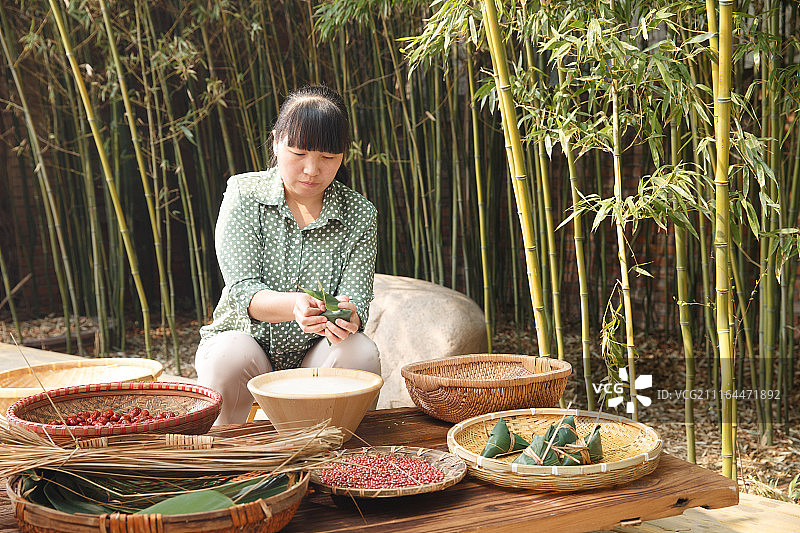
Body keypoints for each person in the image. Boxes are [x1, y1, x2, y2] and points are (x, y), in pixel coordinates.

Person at [196, 85, 380, 425]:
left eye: (328, 158)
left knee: (360, 351)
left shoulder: (360, 214)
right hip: (245, 343)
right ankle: (222, 455)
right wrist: (295, 305)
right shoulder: (244, 193)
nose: (312, 170)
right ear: (276, 141)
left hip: (317, 353)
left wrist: (348, 316)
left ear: (343, 155)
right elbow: (243, 290)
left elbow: (358, 302)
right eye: (298, 153)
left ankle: (335, 457)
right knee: (229, 355)